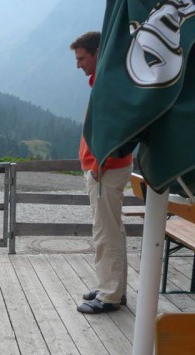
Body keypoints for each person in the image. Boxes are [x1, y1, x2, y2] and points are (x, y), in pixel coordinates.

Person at [71, 31, 133, 314]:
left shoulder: (107, 84)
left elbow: (114, 128)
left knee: (105, 232)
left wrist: (98, 164)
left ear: (97, 53)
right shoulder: (105, 81)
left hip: (105, 168)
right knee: (111, 230)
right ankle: (112, 286)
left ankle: (109, 295)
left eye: (82, 58)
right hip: (106, 167)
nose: (78, 64)